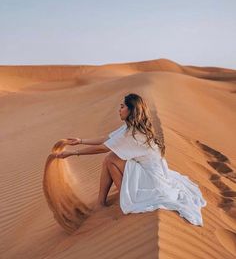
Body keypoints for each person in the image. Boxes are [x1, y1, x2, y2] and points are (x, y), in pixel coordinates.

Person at [55, 93, 207, 226]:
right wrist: (81, 140)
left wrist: (73, 153)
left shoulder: (133, 134)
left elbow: (104, 147)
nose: (119, 110)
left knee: (111, 158)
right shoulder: (129, 128)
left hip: (152, 179)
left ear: (131, 110)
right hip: (150, 171)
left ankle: (114, 200)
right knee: (112, 158)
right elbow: (107, 138)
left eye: (122, 107)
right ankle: (102, 202)